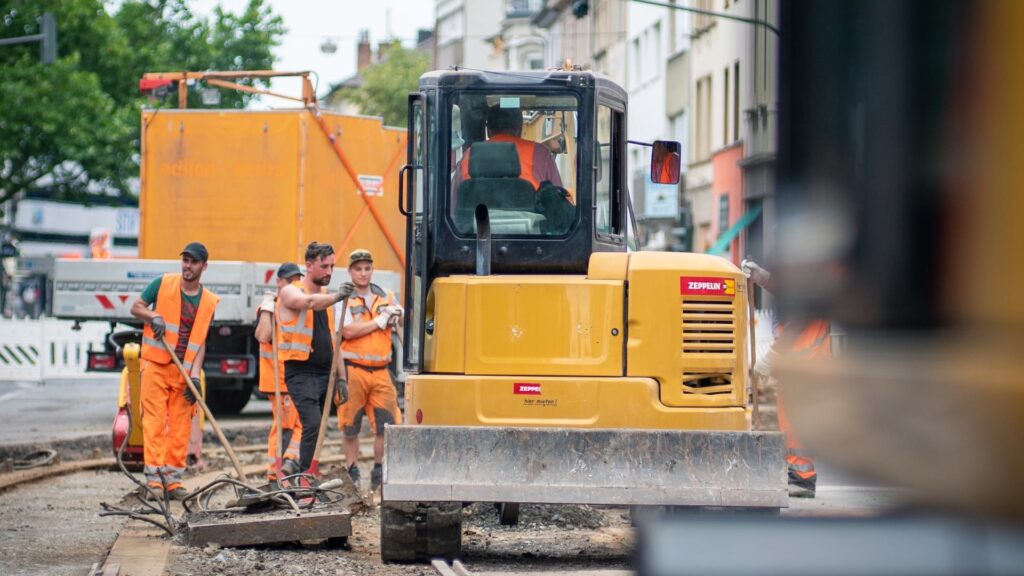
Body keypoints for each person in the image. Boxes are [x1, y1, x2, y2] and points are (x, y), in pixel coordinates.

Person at [130, 242, 220, 500]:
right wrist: (153, 316)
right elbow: (135, 307)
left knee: (181, 426)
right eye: (185, 261)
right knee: (155, 422)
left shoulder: (209, 302)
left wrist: (194, 375)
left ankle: (173, 480)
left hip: (183, 370)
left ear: (204, 266)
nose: (187, 266)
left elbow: (200, 342)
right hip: (156, 365)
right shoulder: (163, 283)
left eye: (193, 262)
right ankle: (154, 481)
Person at [742, 258, 830, 498]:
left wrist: (771, 357)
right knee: (791, 421)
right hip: (800, 365)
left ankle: (802, 477)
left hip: (806, 365)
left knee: (797, 424)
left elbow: (799, 321)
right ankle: (797, 474)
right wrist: (764, 278)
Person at [276, 242, 354, 474]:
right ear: (309, 266)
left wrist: (341, 377)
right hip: (300, 372)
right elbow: (307, 303)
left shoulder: (328, 301)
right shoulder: (291, 290)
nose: (329, 272)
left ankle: (304, 472)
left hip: (323, 374)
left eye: (332, 266)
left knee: (317, 426)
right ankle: (299, 472)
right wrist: (338, 296)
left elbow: (334, 341)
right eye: (323, 266)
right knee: (311, 423)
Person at [337, 249, 403, 492]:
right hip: (353, 370)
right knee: (350, 425)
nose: (363, 273)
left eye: (367, 268)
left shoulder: (385, 296)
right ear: (350, 271)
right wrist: (379, 321)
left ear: (371, 269)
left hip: (381, 370)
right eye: (358, 269)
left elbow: (403, 318)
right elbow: (348, 331)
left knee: (387, 424)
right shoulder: (344, 298)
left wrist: (397, 314)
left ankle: (379, 470)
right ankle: (352, 471)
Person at [253, 262, 305, 483]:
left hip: (295, 378)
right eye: (289, 280)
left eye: (296, 280)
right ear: (279, 282)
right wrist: (267, 307)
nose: (294, 284)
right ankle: (278, 472)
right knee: (285, 427)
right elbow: (263, 336)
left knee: (299, 424)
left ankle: (287, 466)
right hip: (280, 380)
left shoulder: (297, 307)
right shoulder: (271, 308)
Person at [451, 105, 563, 194]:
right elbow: (559, 200)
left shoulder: (469, 155)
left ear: (489, 130)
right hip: (532, 222)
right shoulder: (540, 154)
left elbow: (452, 207)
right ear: (520, 129)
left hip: (475, 222)